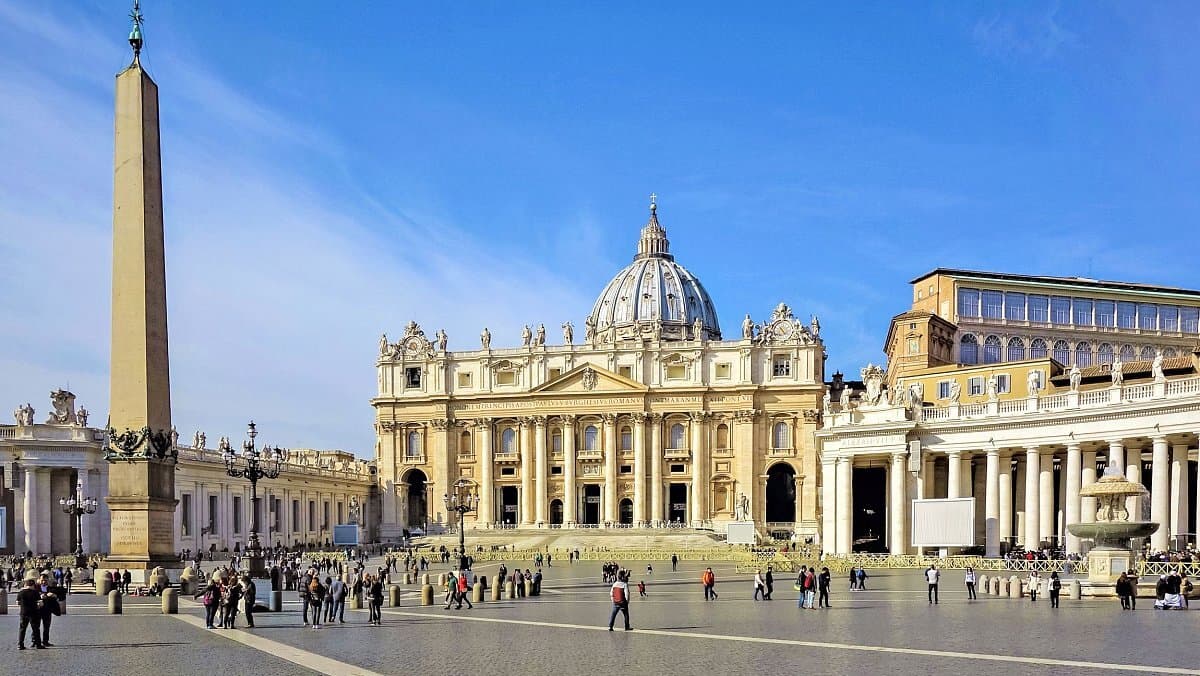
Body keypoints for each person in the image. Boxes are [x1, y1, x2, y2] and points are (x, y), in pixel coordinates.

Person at [16, 579, 43, 650]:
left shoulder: (21, 592)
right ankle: (38, 644)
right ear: (33, 585)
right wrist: (37, 606)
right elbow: (40, 603)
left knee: (22, 629)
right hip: (33, 613)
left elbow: (17, 603)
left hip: (24, 613)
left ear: (26, 584)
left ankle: (20, 645)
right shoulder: (35, 592)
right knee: (35, 629)